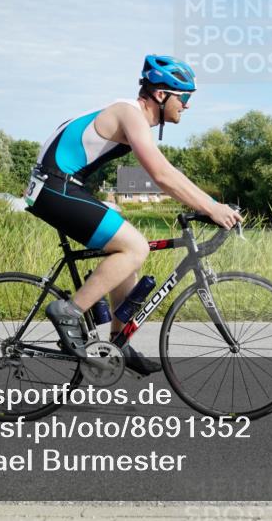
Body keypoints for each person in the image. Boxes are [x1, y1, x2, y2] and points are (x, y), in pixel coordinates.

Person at [24, 55, 243, 375]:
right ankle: (69, 311)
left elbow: (169, 172)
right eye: (184, 97)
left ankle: (118, 343)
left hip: (58, 185)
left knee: (127, 250)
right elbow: (161, 175)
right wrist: (211, 208)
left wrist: (210, 203)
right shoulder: (130, 114)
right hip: (55, 187)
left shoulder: (132, 115)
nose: (187, 105)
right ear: (160, 95)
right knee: (135, 246)